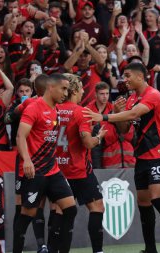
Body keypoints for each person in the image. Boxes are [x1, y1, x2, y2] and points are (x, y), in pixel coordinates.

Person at [83, 62, 160, 253]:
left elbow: (134, 113)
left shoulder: (153, 95)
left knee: (156, 198)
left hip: (159, 153)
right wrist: (115, 113)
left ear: (141, 76)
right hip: (141, 155)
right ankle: (150, 249)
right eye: (124, 76)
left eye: (128, 75)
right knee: (144, 202)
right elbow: (124, 129)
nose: (125, 79)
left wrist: (104, 117)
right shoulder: (130, 99)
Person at [14, 73, 77, 253]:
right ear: (51, 88)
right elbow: (20, 136)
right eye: (63, 89)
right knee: (28, 214)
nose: (66, 93)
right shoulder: (35, 108)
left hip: (52, 170)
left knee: (70, 209)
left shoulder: (55, 109)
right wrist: (26, 160)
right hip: (35, 171)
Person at [56, 73, 107, 253]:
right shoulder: (81, 111)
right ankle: (98, 251)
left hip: (57, 170)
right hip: (79, 169)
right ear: (75, 90)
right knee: (97, 207)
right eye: (81, 87)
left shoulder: (53, 108)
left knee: (62, 213)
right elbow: (87, 143)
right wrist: (99, 137)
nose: (84, 90)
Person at [87, 82, 135, 169]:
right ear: (95, 94)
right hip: (95, 150)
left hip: (124, 159)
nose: (105, 96)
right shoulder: (88, 110)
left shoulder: (114, 109)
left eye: (107, 93)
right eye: (102, 94)